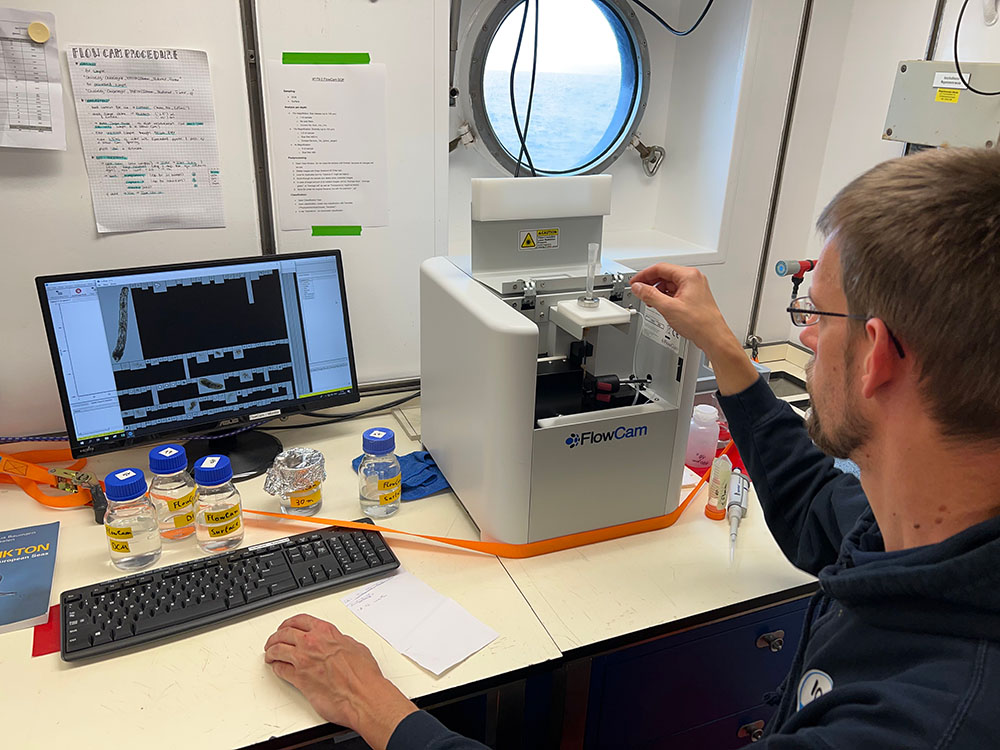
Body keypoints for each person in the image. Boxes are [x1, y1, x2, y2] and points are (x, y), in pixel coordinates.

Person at [264, 146, 1000, 748]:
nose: (802, 334)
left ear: (877, 357)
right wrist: (724, 352)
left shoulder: (926, 722)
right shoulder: (924, 532)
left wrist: (380, 710)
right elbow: (815, 509)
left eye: (812, 310)